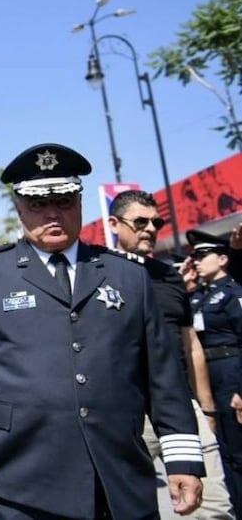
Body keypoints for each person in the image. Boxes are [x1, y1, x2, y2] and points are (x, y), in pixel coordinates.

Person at [0, 143, 204, 519]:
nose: (53, 214)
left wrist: (183, 459)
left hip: (117, 475)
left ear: (80, 202)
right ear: (18, 207)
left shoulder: (128, 275)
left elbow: (163, 375)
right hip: (22, 475)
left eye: (64, 201)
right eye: (38, 204)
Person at [108, 191, 233, 520]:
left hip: (182, 407)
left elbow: (191, 345)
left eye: (156, 222)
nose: (151, 229)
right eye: (140, 222)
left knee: (213, 507)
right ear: (114, 224)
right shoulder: (96, 275)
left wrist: (206, 408)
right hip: (127, 412)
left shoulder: (170, 276)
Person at [185, 228, 242, 513]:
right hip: (208, 377)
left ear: (222, 259)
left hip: (232, 373)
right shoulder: (197, 296)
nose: (196, 261)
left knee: (238, 451)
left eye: (203, 255)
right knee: (221, 451)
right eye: (194, 256)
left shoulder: (234, 292)